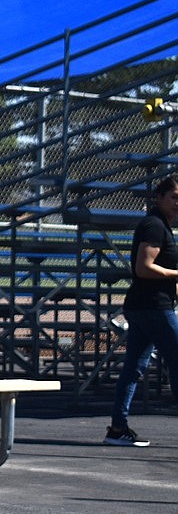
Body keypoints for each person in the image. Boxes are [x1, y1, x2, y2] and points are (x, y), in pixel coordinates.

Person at [104, 174, 178, 448]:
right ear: (159, 197)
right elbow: (143, 267)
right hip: (151, 307)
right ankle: (117, 425)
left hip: (145, 306)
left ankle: (117, 428)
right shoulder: (154, 225)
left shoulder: (160, 226)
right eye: (174, 197)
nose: (177, 204)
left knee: (134, 368)